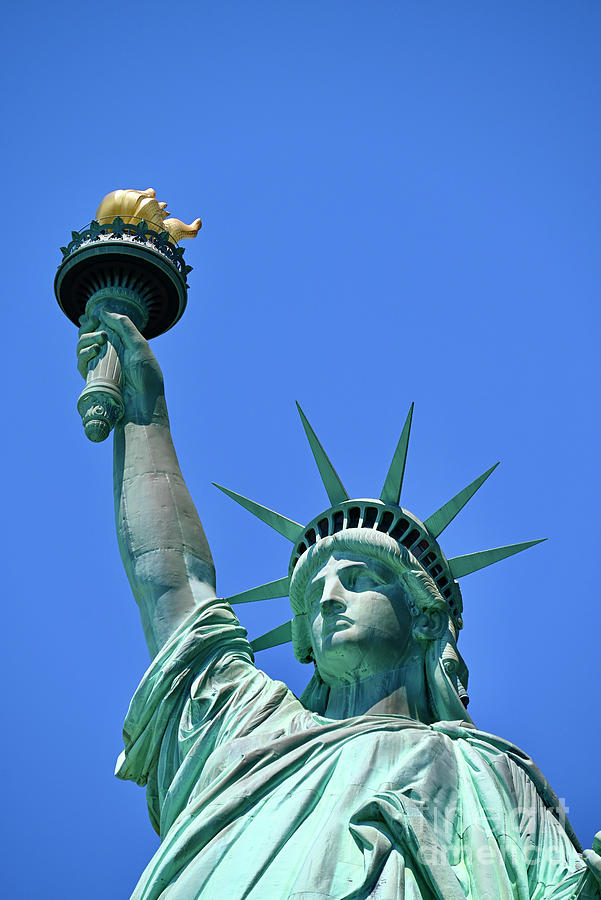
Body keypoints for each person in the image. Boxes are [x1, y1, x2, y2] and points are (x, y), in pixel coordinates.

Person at [77, 310, 601, 900]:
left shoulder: (495, 778)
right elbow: (173, 584)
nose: (328, 598)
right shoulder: (247, 734)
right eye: (310, 592)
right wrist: (144, 409)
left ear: (426, 616)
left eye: (358, 577)